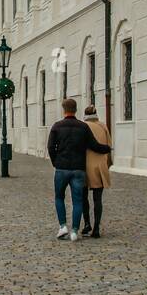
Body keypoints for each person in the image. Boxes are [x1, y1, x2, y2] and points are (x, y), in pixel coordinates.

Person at [46, 98, 110, 241]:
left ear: (64, 109)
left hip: (62, 168)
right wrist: (107, 148)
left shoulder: (57, 126)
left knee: (59, 197)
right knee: (78, 200)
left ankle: (63, 226)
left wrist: (55, 162)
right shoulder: (83, 127)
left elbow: (50, 147)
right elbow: (94, 145)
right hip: (78, 169)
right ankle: (75, 230)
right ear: (75, 110)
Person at [79, 105, 112, 238]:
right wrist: (107, 164)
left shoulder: (82, 126)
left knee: (83, 197)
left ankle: (87, 223)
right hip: (100, 166)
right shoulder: (103, 126)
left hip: (84, 165)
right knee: (97, 199)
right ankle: (97, 227)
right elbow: (109, 146)